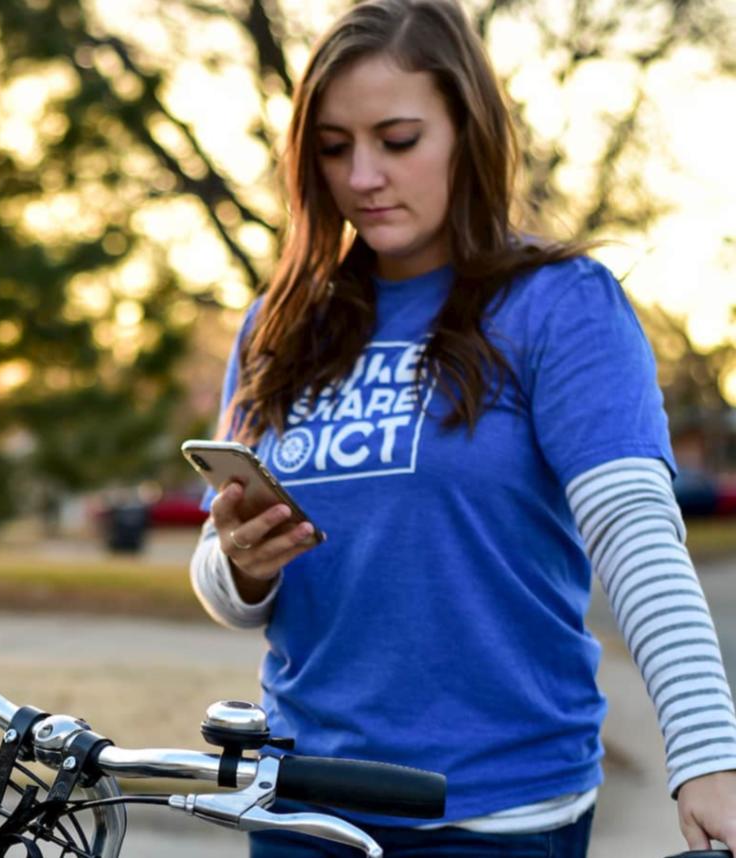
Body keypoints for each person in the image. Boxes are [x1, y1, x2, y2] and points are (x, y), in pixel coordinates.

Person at [188, 0, 736, 855]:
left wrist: (706, 753)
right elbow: (228, 579)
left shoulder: (562, 305)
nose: (363, 175)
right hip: (303, 804)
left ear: (467, 133)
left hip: (493, 813)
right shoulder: (280, 324)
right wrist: (240, 568)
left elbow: (636, 534)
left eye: (398, 140)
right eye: (335, 147)